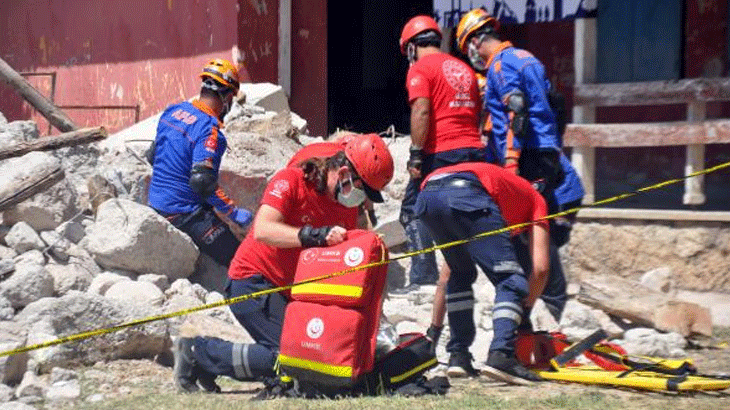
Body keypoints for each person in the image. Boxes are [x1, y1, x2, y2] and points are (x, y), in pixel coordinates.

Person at [172, 133, 395, 393]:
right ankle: (196, 352)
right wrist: (312, 235)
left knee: (320, 357)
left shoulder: (345, 206)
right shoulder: (292, 180)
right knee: (296, 359)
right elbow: (264, 229)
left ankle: (210, 360)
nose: (361, 200)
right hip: (253, 282)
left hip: (294, 293)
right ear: (344, 172)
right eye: (361, 190)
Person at [414, 161, 549, 385]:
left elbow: (446, 277)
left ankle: (458, 356)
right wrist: (523, 311)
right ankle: (501, 356)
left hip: (428, 197)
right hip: (467, 193)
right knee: (510, 278)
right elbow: (541, 269)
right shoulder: (536, 200)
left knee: (461, 273)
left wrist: (434, 331)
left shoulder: (504, 188)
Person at [393, 15, 487, 294]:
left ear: (411, 47)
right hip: (472, 151)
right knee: (458, 213)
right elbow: (477, 112)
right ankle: (462, 273)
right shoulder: (464, 68)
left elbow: (421, 110)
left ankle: (423, 279)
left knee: (413, 209)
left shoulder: (420, 69)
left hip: (441, 153)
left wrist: (416, 154)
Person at [147, 59, 252, 267]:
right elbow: (202, 182)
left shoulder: (173, 111)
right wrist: (233, 211)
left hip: (156, 203)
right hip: (183, 214)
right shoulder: (209, 131)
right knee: (241, 260)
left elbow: (152, 155)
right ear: (227, 96)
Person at [455, 8, 564, 210]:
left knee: (520, 223)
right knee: (537, 217)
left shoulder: (500, 65)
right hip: (547, 150)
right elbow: (556, 103)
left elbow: (517, 109)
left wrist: (512, 161)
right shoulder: (527, 57)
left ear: (475, 41)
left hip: (526, 156)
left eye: (467, 48)